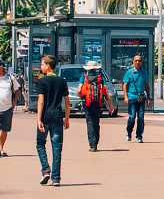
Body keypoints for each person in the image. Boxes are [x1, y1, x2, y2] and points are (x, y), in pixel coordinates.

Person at [36, 55, 69, 187]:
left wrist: (38, 119)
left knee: (40, 144)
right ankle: (56, 178)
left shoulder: (42, 82)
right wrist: (67, 118)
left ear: (48, 66)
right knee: (57, 147)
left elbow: (41, 101)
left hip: (45, 117)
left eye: (42, 64)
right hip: (57, 117)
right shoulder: (62, 81)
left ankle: (46, 170)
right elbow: (67, 101)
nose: (41, 67)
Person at [77, 61, 114, 152]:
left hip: (87, 102)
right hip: (97, 102)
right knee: (96, 121)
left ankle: (92, 144)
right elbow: (106, 92)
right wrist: (110, 105)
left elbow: (78, 90)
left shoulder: (84, 77)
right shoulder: (100, 78)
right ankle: (96, 141)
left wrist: (83, 97)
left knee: (89, 122)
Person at [123, 55, 150, 143]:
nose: (138, 62)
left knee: (141, 117)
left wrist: (149, 97)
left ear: (141, 62)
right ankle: (129, 132)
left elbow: (147, 85)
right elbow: (125, 85)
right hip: (132, 97)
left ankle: (139, 135)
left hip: (141, 97)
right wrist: (126, 97)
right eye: (136, 61)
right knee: (132, 117)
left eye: (139, 61)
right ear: (133, 61)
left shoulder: (144, 73)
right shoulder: (129, 72)